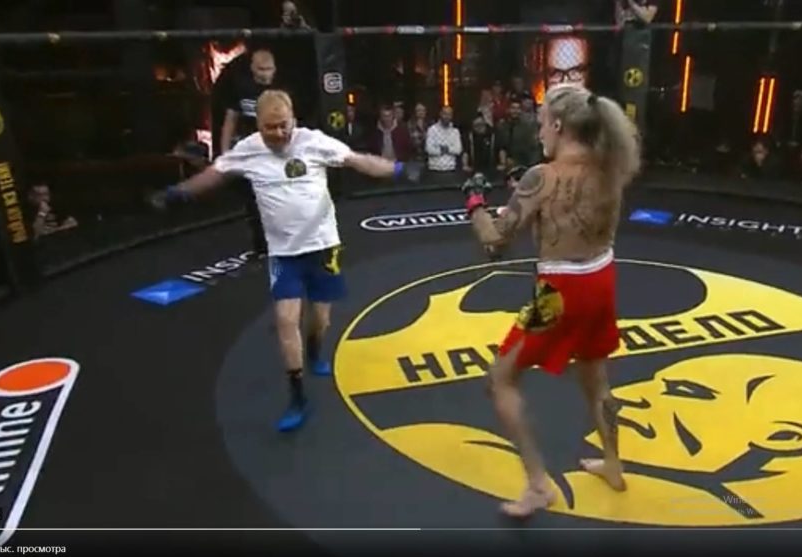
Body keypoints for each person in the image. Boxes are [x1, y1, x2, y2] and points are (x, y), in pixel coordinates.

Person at [155, 90, 419, 432]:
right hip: (283, 254)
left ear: (293, 119)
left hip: (323, 246)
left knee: (320, 319)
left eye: (284, 125)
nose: (279, 133)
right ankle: (298, 397)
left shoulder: (313, 142)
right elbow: (216, 173)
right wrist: (178, 192)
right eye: (270, 127)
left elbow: (358, 160)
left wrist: (397, 169)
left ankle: (315, 350)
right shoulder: (248, 150)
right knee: (285, 318)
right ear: (258, 125)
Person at [461, 83, 642, 518]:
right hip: (601, 279)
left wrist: (474, 202)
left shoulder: (542, 177)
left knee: (500, 380)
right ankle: (614, 464)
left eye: (542, 123)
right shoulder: (610, 165)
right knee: (595, 379)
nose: (538, 131)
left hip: (560, 294)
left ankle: (538, 485)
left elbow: (494, 242)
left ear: (558, 125)